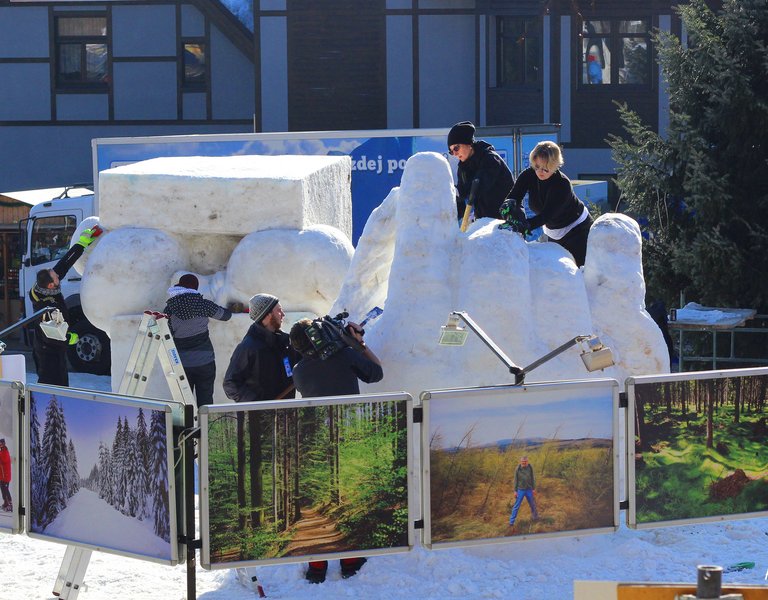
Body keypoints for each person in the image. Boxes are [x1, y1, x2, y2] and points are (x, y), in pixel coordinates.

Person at [289, 317, 384, 584]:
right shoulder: (344, 356)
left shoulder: (299, 370)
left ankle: (317, 565)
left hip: (315, 440)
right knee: (348, 495)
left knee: (319, 497)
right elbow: (376, 372)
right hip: (349, 435)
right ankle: (350, 561)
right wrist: (357, 343)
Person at [501, 140, 593, 267]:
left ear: (555, 166)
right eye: (537, 166)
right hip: (553, 230)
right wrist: (510, 208)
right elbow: (515, 196)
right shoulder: (529, 174)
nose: (540, 172)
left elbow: (547, 215)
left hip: (577, 229)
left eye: (545, 168)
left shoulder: (561, 184)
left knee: (579, 269)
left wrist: (525, 225)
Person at [29, 227, 100, 386]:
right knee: (53, 382)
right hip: (47, 350)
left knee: (60, 380)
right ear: (50, 284)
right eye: (55, 277)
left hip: (54, 347)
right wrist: (69, 338)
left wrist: (81, 244)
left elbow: (64, 263)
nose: (58, 276)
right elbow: (52, 333)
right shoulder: (45, 306)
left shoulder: (47, 285)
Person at [163, 274, 233, 408]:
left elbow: (168, 333)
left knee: (184, 404)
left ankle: (186, 428)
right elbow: (225, 316)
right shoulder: (202, 305)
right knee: (205, 401)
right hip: (204, 361)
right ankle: (205, 426)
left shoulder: (170, 309)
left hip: (182, 363)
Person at [223, 293, 298, 404]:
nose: (283, 314)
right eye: (278, 311)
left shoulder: (285, 342)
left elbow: (301, 364)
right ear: (267, 316)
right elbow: (230, 384)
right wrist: (258, 404)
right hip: (257, 418)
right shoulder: (248, 347)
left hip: (285, 415)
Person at [448, 121, 514, 222]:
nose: (455, 154)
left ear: (468, 143)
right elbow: (461, 198)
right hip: (484, 221)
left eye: (456, 148)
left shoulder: (490, 159)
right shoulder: (463, 168)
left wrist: (457, 191)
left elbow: (479, 185)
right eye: (451, 151)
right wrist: (448, 216)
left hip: (506, 221)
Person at [509, 455, 538, 528]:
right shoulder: (518, 469)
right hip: (520, 490)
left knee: (532, 504)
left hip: (529, 489)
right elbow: (515, 480)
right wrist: (515, 491)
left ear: (527, 461)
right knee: (516, 506)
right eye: (523, 461)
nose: (524, 463)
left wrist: (533, 488)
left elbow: (532, 478)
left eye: (525, 461)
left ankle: (535, 518)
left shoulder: (530, 467)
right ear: (520, 461)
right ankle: (511, 522)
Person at [0, 438, 11, 512]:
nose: (0, 445)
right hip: (2, 475)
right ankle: (6, 503)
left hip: (5, 476)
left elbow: (3, 461)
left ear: (4, 443)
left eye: (1, 443)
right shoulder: (2, 451)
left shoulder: (5, 451)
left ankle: (9, 504)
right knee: (3, 490)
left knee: (5, 490)